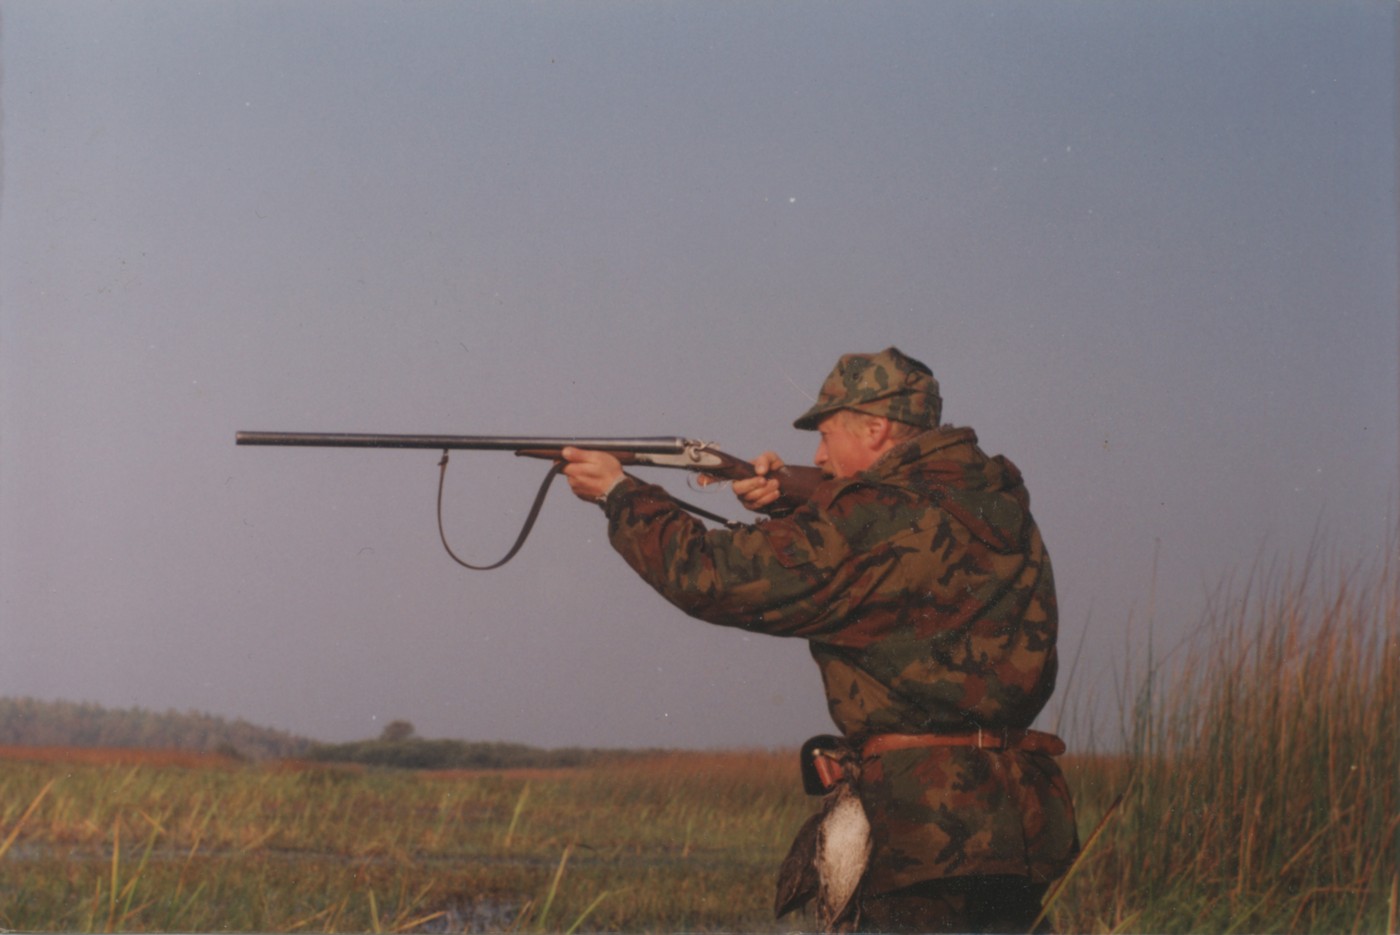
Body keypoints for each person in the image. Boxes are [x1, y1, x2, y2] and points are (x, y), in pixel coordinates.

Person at [561, 347, 1078, 933]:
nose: (819, 454)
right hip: (1020, 826)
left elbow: (712, 577)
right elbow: (893, 573)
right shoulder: (997, 503)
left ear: (877, 428)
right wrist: (794, 501)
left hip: (923, 831)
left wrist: (620, 494)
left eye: (828, 435)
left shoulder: (878, 516)